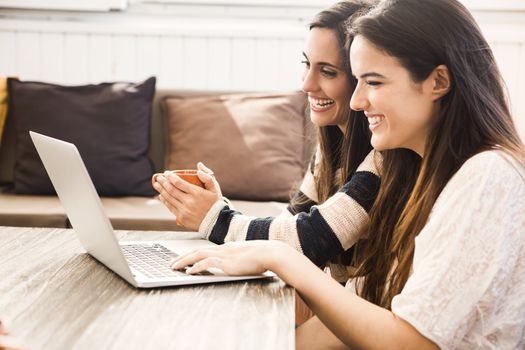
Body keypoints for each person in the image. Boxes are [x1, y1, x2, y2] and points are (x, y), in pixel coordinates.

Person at [170, 0, 525, 348]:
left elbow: (412, 341)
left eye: (373, 82)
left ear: (438, 81)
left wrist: (278, 256)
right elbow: (365, 304)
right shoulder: (424, 177)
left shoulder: (488, 175)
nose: (356, 101)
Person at [154, 0, 383, 285]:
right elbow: (289, 224)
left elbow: (309, 239)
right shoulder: (331, 147)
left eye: (327, 71)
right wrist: (217, 208)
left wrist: (214, 218)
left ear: (360, 77)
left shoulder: (384, 159)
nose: (306, 84)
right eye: (306, 64)